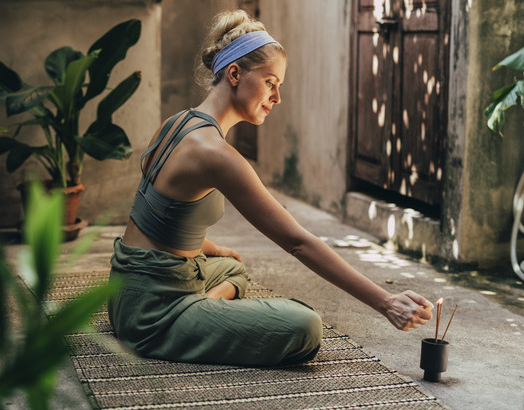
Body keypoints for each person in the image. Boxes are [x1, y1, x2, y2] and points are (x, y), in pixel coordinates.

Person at [107, 9, 433, 366]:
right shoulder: (218, 155)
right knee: (305, 326)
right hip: (152, 314)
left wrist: (210, 247)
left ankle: (201, 310)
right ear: (234, 74)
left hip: (124, 287)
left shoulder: (177, 123)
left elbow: (154, 211)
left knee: (233, 268)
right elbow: (298, 242)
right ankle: (191, 316)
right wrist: (386, 303)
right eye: (270, 82)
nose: (276, 97)